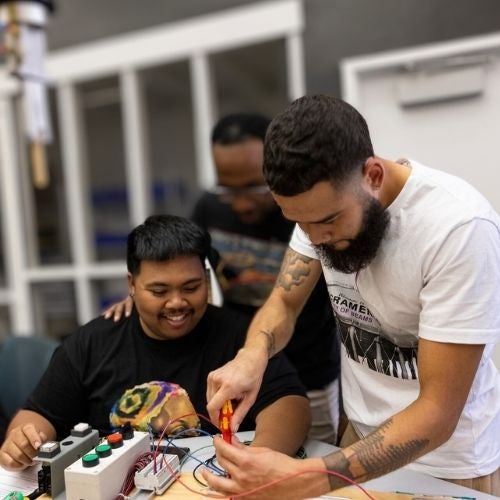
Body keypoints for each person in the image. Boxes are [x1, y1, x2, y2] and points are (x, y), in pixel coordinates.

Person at [202, 95, 500, 498]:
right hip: (355, 440)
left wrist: (303, 477)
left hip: (445, 464)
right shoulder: (316, 211)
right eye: (299, 223)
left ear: (373, 175)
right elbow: (285, 302)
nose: (316, 239)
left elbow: (437, 412)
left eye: (327, 221)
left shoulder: (459, 229)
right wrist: (251, 355)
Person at [0, 215, 310, 471]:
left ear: (205, 278)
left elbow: (290, 404)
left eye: (191, 287)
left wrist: (258, 459)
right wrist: (24, 440)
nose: (177, 303)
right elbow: (40, 414)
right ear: (131, 285)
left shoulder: (240, 336)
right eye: (159, 292)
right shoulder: (91, 344)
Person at [105, 113, 341, 444]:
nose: (242, 203)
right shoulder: (210, 208)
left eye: (255, 187)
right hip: (239, 369)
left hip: (309, 372)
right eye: (228, 189)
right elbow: (176, 262)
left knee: (311, 463)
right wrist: (143, 295)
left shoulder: (303, 214)